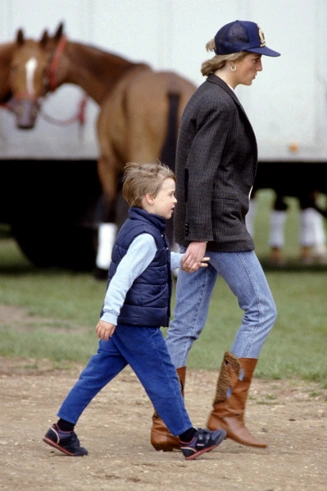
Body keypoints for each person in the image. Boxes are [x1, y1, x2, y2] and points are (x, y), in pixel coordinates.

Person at [150, 20, 279, 451]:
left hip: (201, 227)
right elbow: (200, 175)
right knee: (261, 309)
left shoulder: (209, 96)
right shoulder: (219, 103)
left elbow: (196, 173)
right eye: (257, 59)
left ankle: (167, 426)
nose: (260, 67)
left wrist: (191, 235)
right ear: (236, 59)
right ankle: (226, 412)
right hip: (218, 228)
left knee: (184, 326)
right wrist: (201, 238)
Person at [43, 161, 226, 461]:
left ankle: (62, 429)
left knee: (94, 375)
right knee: (164, 377)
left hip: (126, 324)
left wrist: (181, 261)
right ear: (149, 198)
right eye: (170, 194)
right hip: (137, 325)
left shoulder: (139, 228)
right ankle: (190, 439)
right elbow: (123, 277)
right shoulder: (145, 236)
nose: (175, 200)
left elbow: (150, 264)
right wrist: (109, 314)